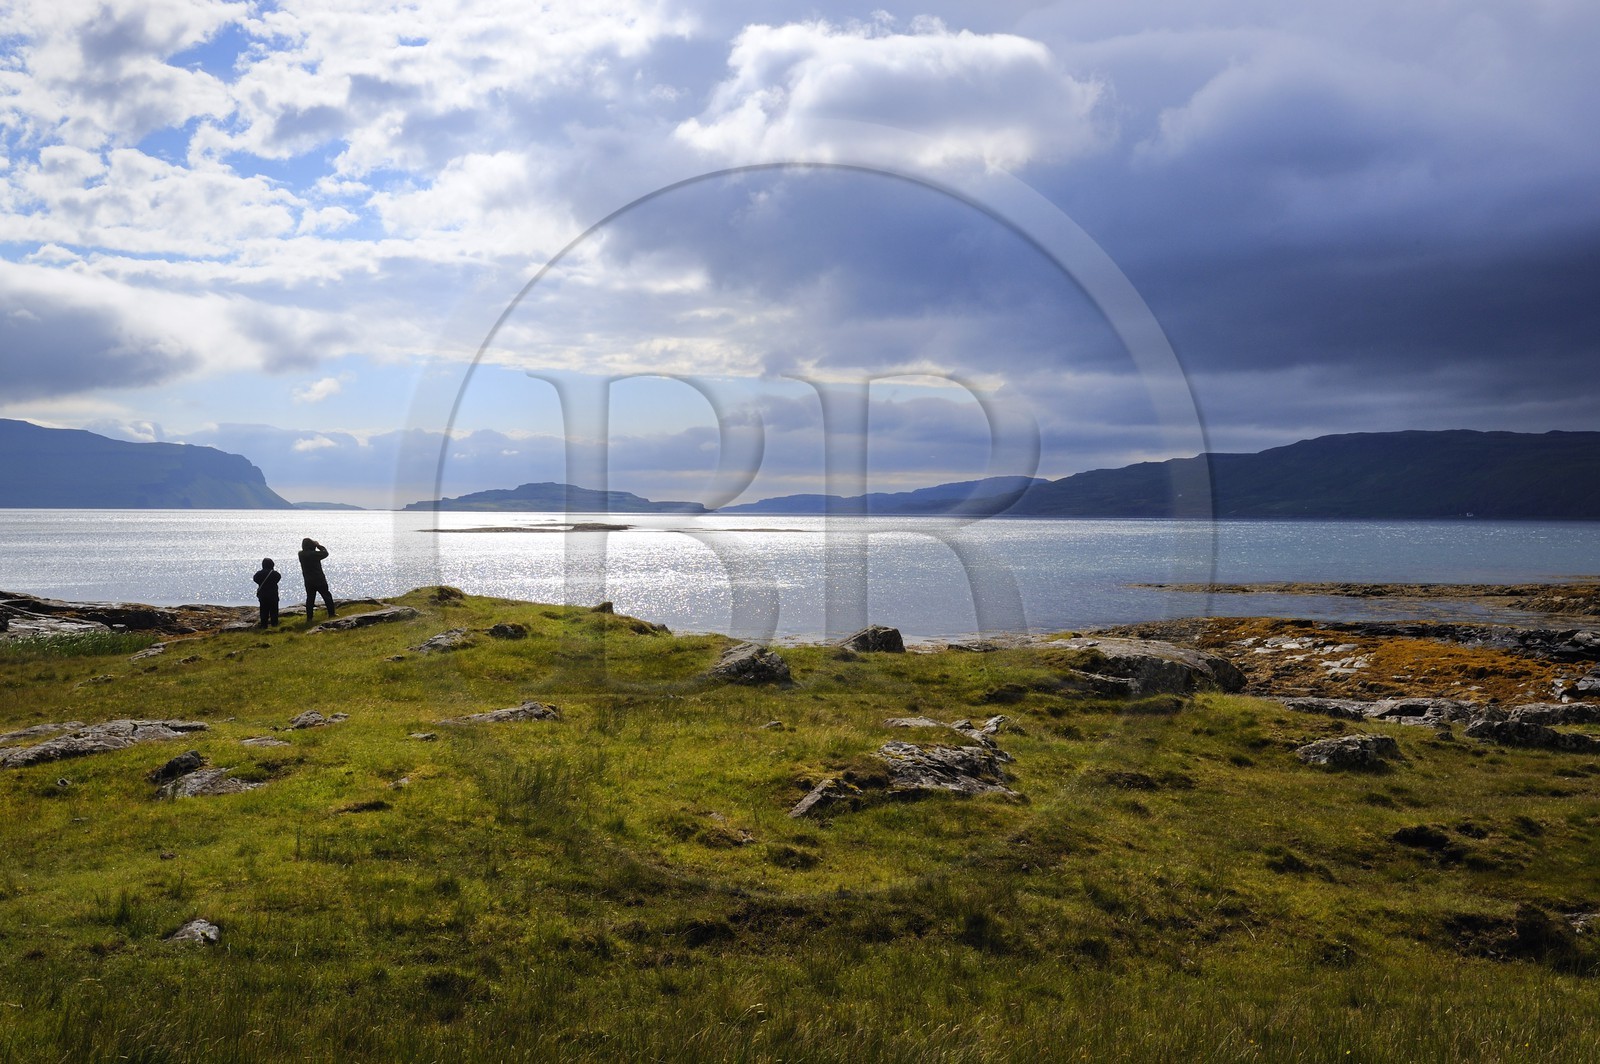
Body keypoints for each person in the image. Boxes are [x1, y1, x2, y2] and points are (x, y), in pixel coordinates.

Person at [297, 537, 336, 623]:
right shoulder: (314, 554)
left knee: (310, 599)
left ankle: (309, 618)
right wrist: (318, 545)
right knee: (327, 596)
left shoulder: (301, 554)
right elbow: (325, 553)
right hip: (319, 579)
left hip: (308, 580)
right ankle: (331, 613)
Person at [252, 558, 281, 628]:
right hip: (273, 595)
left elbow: (255, 579)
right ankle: (274, 625)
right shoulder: (275, 574)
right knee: (274, 611)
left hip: (263, 595)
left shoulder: (258, 574)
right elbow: (278, 578)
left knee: (263, 611)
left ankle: (263, 625)